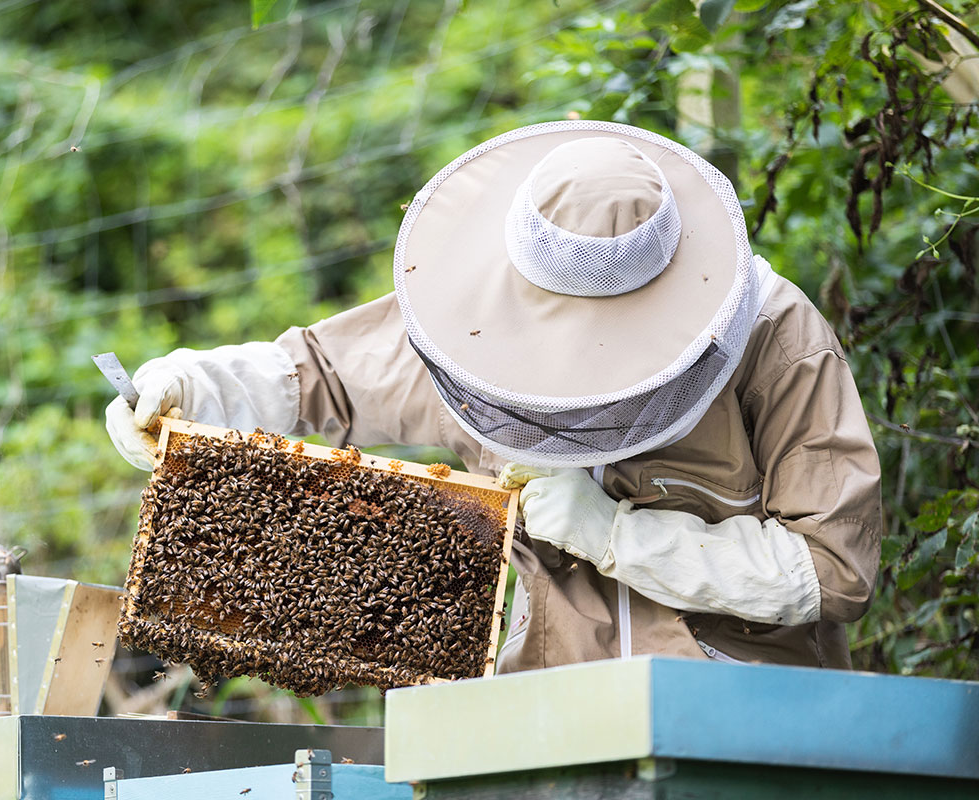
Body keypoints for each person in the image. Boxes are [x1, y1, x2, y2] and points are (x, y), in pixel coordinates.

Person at [106, 120, 882, 670]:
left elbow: (832, 570)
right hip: (544, 709)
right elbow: (322, 373)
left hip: (737, 711)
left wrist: (618, 535)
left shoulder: (775, 337)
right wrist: (197, 387)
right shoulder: (469, 322)